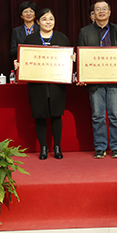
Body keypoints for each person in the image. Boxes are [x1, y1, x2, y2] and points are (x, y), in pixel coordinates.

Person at [77, 0, 117, 159]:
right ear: (93, 13)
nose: (101, 11)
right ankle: (100, 147)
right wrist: (81, 75)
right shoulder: (85, 31)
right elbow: (81, 55)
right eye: (98, 9)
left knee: (115, 114)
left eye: (104, 8)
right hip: (94, 81)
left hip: (115, 79)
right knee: (97, 115)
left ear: (109, 12)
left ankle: (116, 147)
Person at [23, 9, 72, 160]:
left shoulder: (62, 38)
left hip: (57, 84)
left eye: (51, 19)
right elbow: (25, 59)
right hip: (37, 85)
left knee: (56, 115)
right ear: (38, 22)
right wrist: (20, 64)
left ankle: (57, 146)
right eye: (44, 19)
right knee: (40, 115)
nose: (48, 22)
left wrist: (72, 59)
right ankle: (43, 147)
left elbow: (68, 59)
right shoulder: (30, 40)